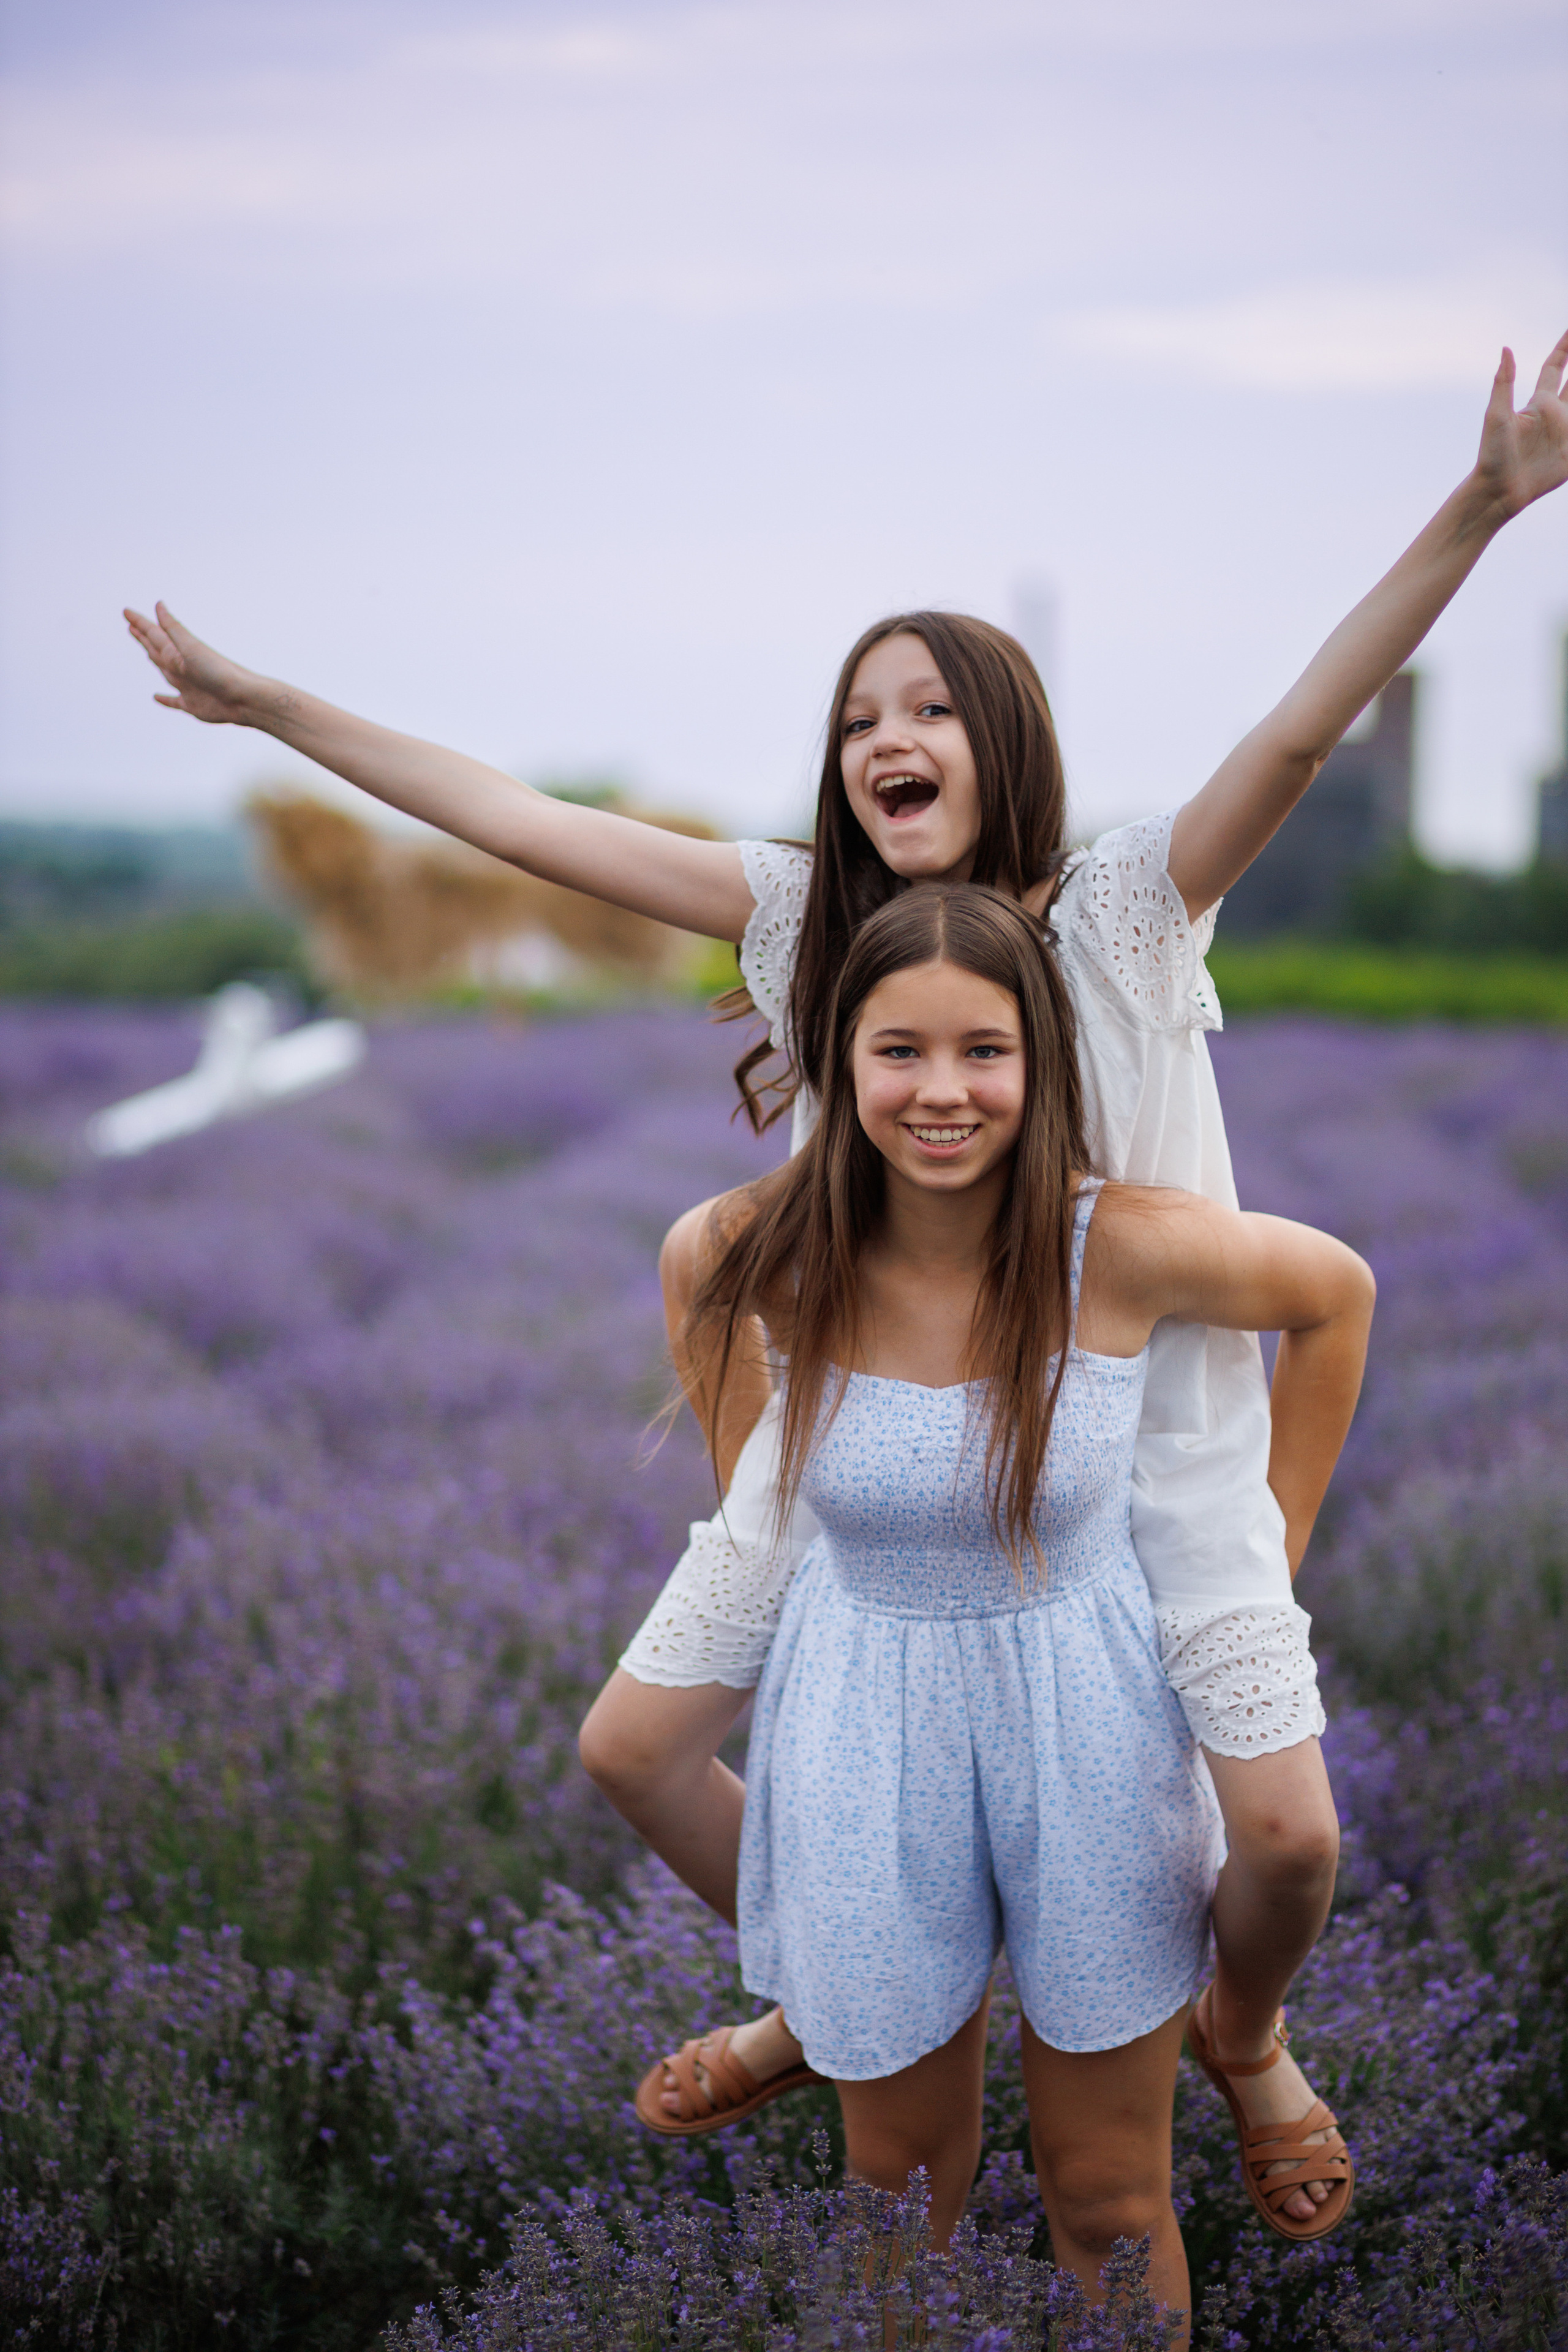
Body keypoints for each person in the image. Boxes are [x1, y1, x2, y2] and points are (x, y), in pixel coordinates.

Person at [124, 330, 1568, 2231]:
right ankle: (851, 1984)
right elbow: (522, 824)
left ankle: (1242, 2027)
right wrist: (268, 709)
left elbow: (1301, 733)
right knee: (639, 1745)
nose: (891, 737)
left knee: (1286, 1841)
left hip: (1149, 1457)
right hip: (877, 1444)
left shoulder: (1129, 910)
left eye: (932, 708)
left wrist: (1481, 506)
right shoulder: (809, 916)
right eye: (862, 715)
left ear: (1004, 741)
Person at [662, 881, 1371, 2331]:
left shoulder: (1114, 1241)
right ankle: (808, 2009)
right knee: (896, 2194)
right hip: (865, 1739)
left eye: (983, 1050)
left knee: (1105, 2199)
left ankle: (1238, 2044)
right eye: (899, 1051)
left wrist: (1271, 1546)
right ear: (840, 1063)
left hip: (1088, 1737)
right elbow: (705, 1316)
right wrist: (775, 1523)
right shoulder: (772, 1248)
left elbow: (1333, 1295)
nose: (943, 1090)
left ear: (1041, 1063)